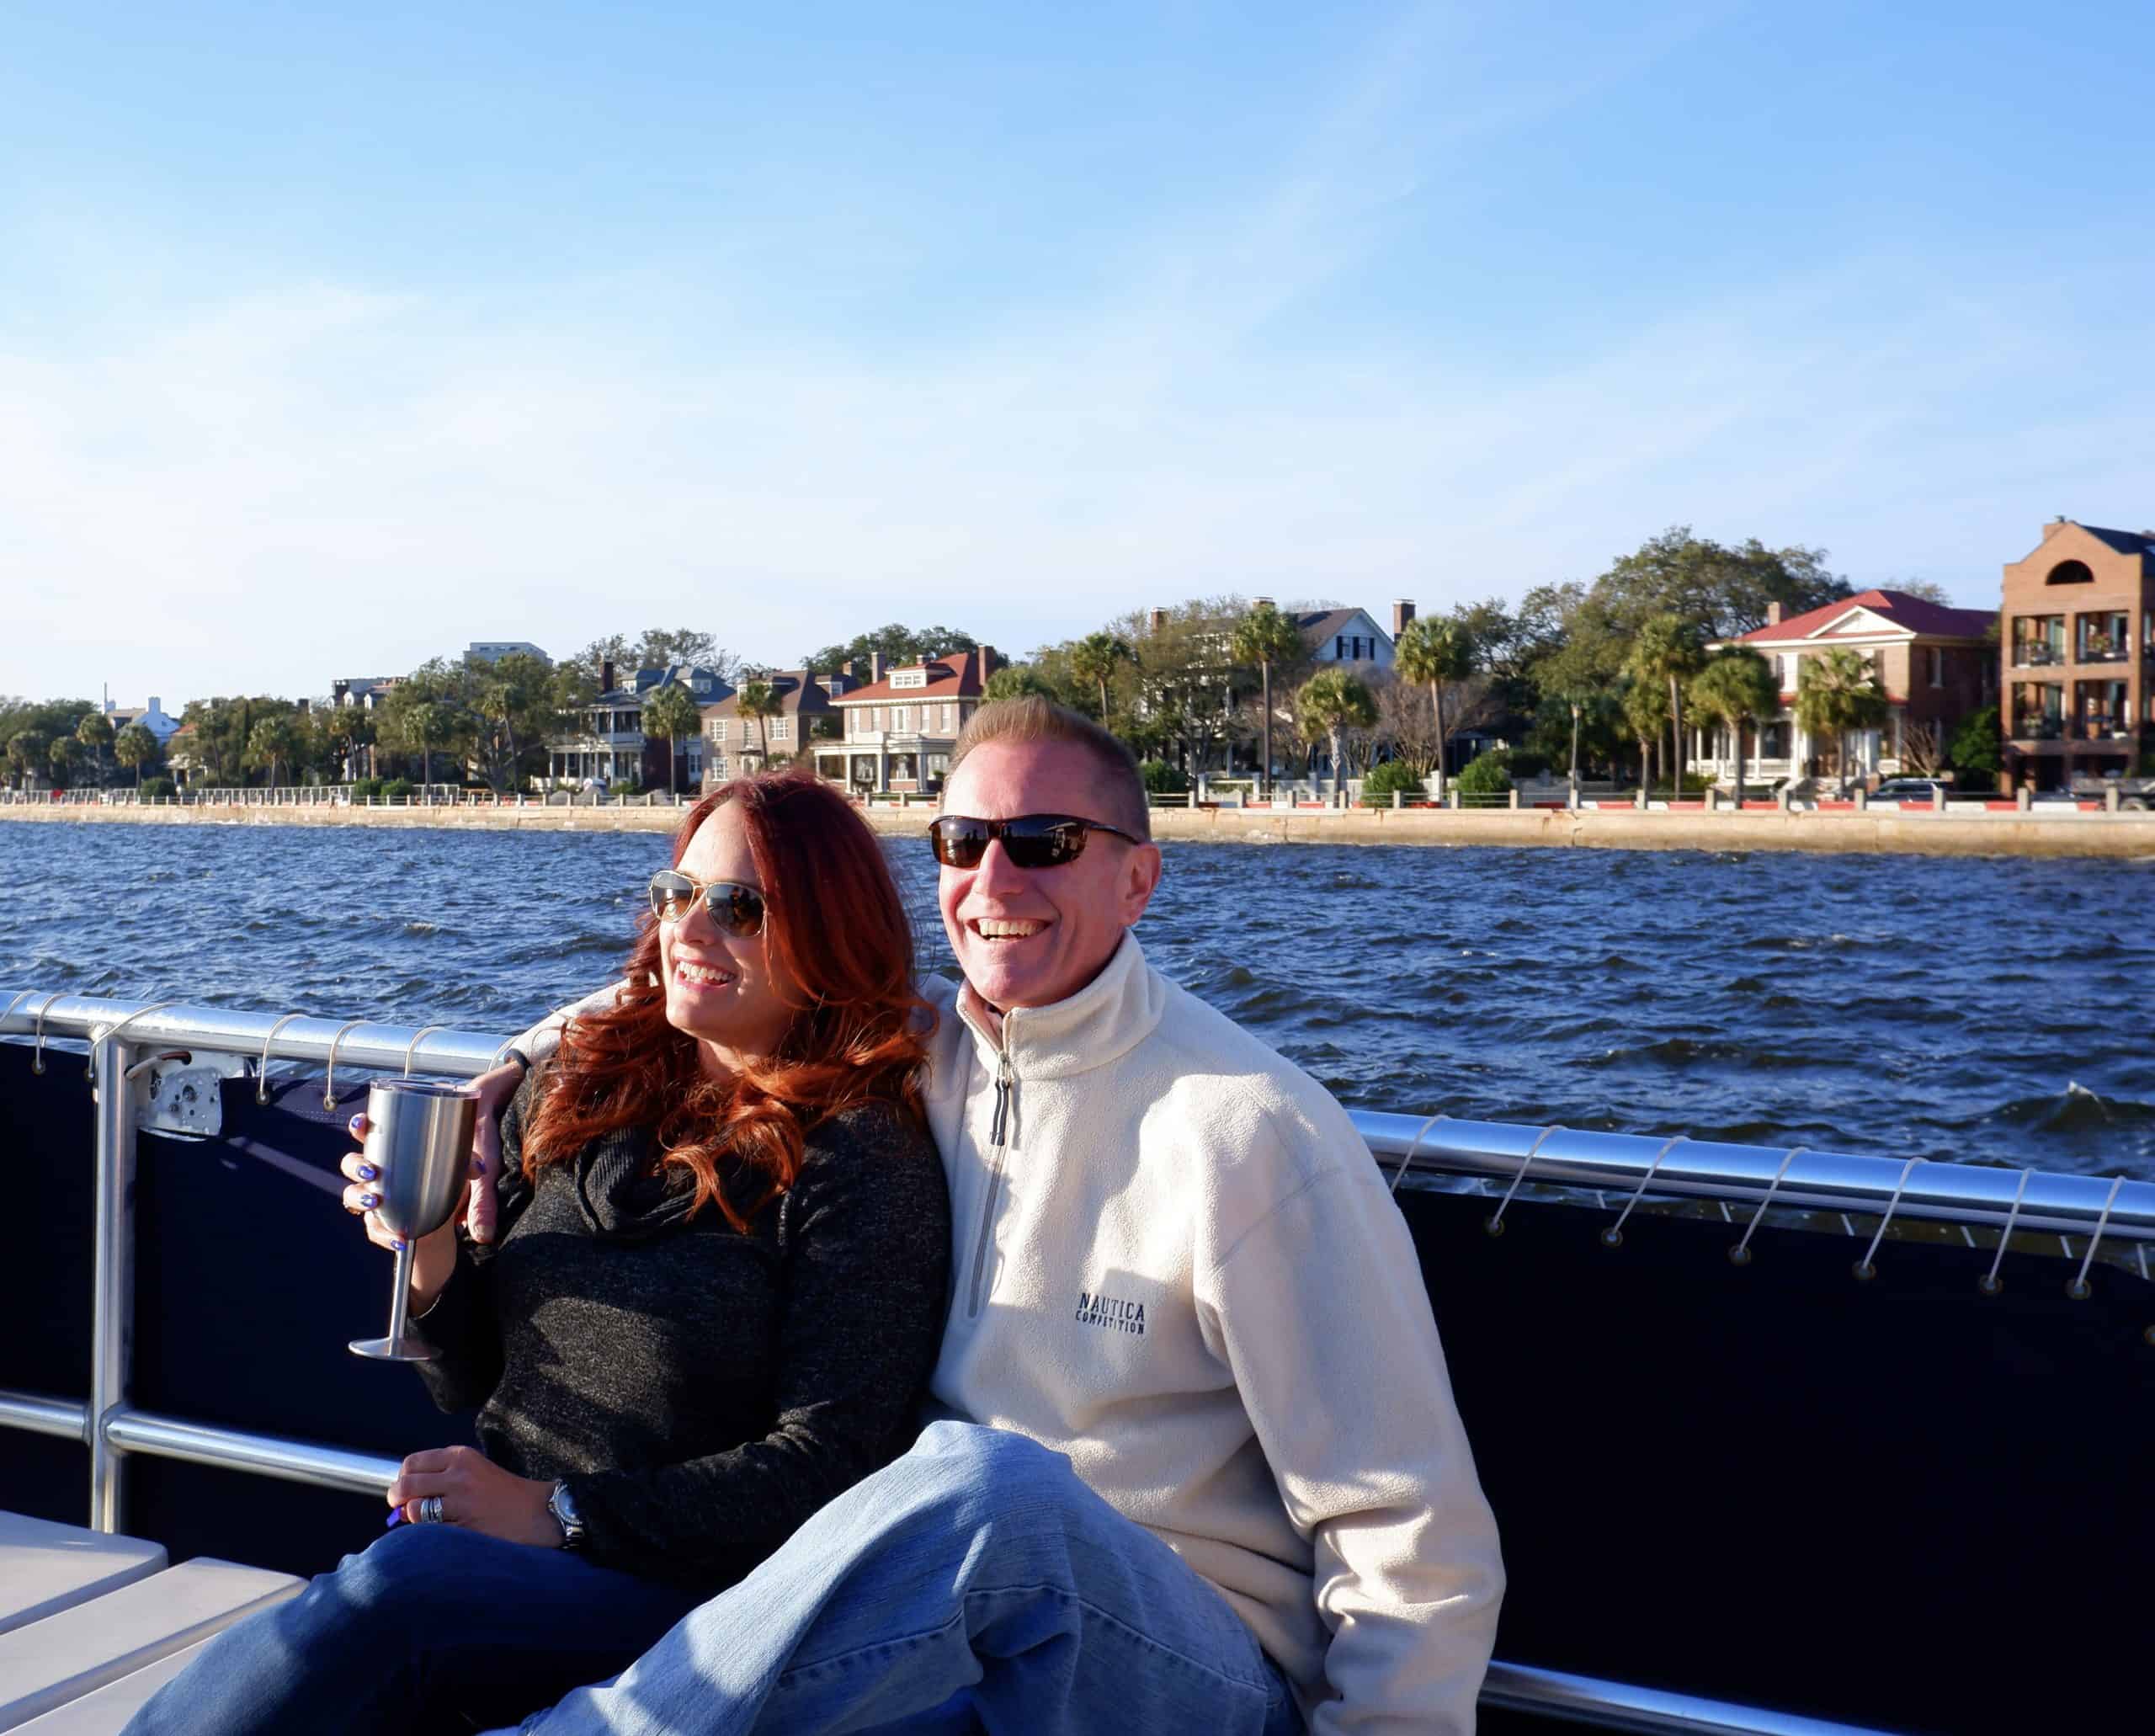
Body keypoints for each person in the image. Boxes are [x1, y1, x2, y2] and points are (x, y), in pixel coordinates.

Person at [491, 699, 1504, 1736]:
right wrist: (517, 1066)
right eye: (962, 841)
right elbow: (703, 976)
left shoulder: (1252, 1131)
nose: (994, 880)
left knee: (994, 1486)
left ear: (1137, 880)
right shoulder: (924, 1044)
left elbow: (1406, 1526)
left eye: (1044, 842)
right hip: (955, 1630)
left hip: (1192, 1669)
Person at [122, 771, 951, 1736]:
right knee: (395, 1589)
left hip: (708, 1602)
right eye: (676, 893)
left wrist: (557, 1512)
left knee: (397, 1591)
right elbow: (468, 1378)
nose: (689, 928)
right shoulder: (579, 1081)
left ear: (829, 932)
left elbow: (828, 1463)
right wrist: (429, 1239)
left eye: (738, 907)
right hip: (511, 1555)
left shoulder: (861, 1156)